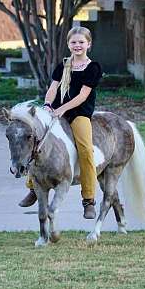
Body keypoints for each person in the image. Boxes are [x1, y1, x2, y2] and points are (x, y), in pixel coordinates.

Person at [18, 26, 103, 219]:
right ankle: (33, 188)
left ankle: (88, 200)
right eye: (73, 42)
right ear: (68, 44)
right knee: (36, 142)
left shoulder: (93, 68)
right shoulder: (63, 66)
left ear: (88, 44)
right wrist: (48, 104)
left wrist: (63, 109)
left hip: (79, 113)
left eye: (81, 42)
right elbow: (53, 88)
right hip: (55, 112)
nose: (77, 45)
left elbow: (83, 96)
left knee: (85, 150)